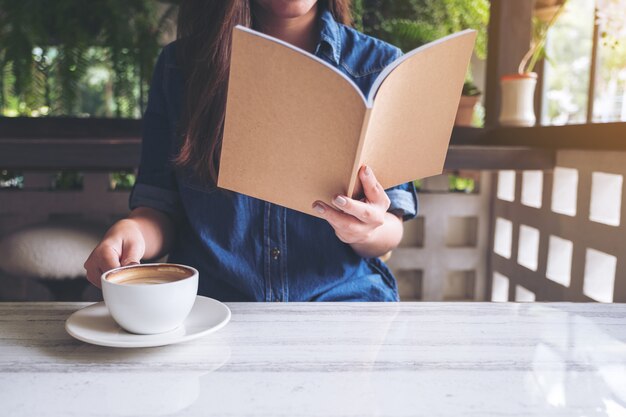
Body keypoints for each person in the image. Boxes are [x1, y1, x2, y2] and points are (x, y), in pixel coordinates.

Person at [84, 0, 418, 301]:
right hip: (214, 306)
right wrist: (131, 232)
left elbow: (391, 228)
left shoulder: (380, 66)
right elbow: (158, 210)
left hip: (342, 301)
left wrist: (366, 230)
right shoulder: (180, 67)